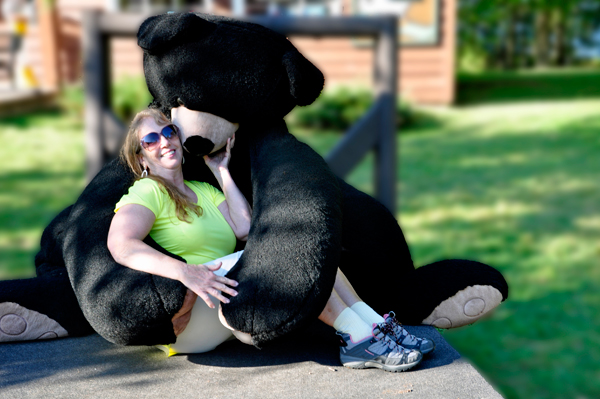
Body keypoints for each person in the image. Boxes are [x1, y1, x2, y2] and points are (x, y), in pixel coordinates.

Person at [109, 108, 434, 372]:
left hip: (224, 296)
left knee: (315, 253)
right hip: (195, 314)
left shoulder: (203, 190)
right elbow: (121, 244)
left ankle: (374, 326)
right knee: (285, 253)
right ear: (140, 159)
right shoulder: (147, 191)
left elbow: (245, 228)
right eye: (151, 139)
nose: (165, 141)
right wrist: (184, 272)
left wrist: (222, 172)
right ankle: (358, 338)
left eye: (169, 132)